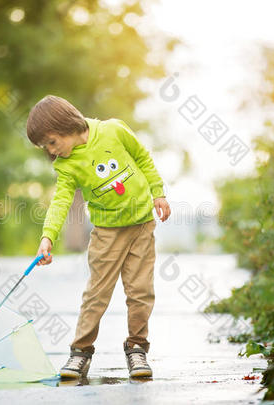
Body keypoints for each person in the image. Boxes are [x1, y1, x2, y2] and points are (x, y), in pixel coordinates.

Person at [26, 95, 171, 379]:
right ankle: (80, 352)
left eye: (52, 142)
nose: (52, 151)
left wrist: (158, 193)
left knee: (140, 291)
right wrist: (48, 237)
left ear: (64, 124)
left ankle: (137, 349)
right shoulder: (66, 165)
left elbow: (142, 158)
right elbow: (60, 201)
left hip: (142, 225)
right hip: (106, 233)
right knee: (96, 295)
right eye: (46, 148)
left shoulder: (114, 130)